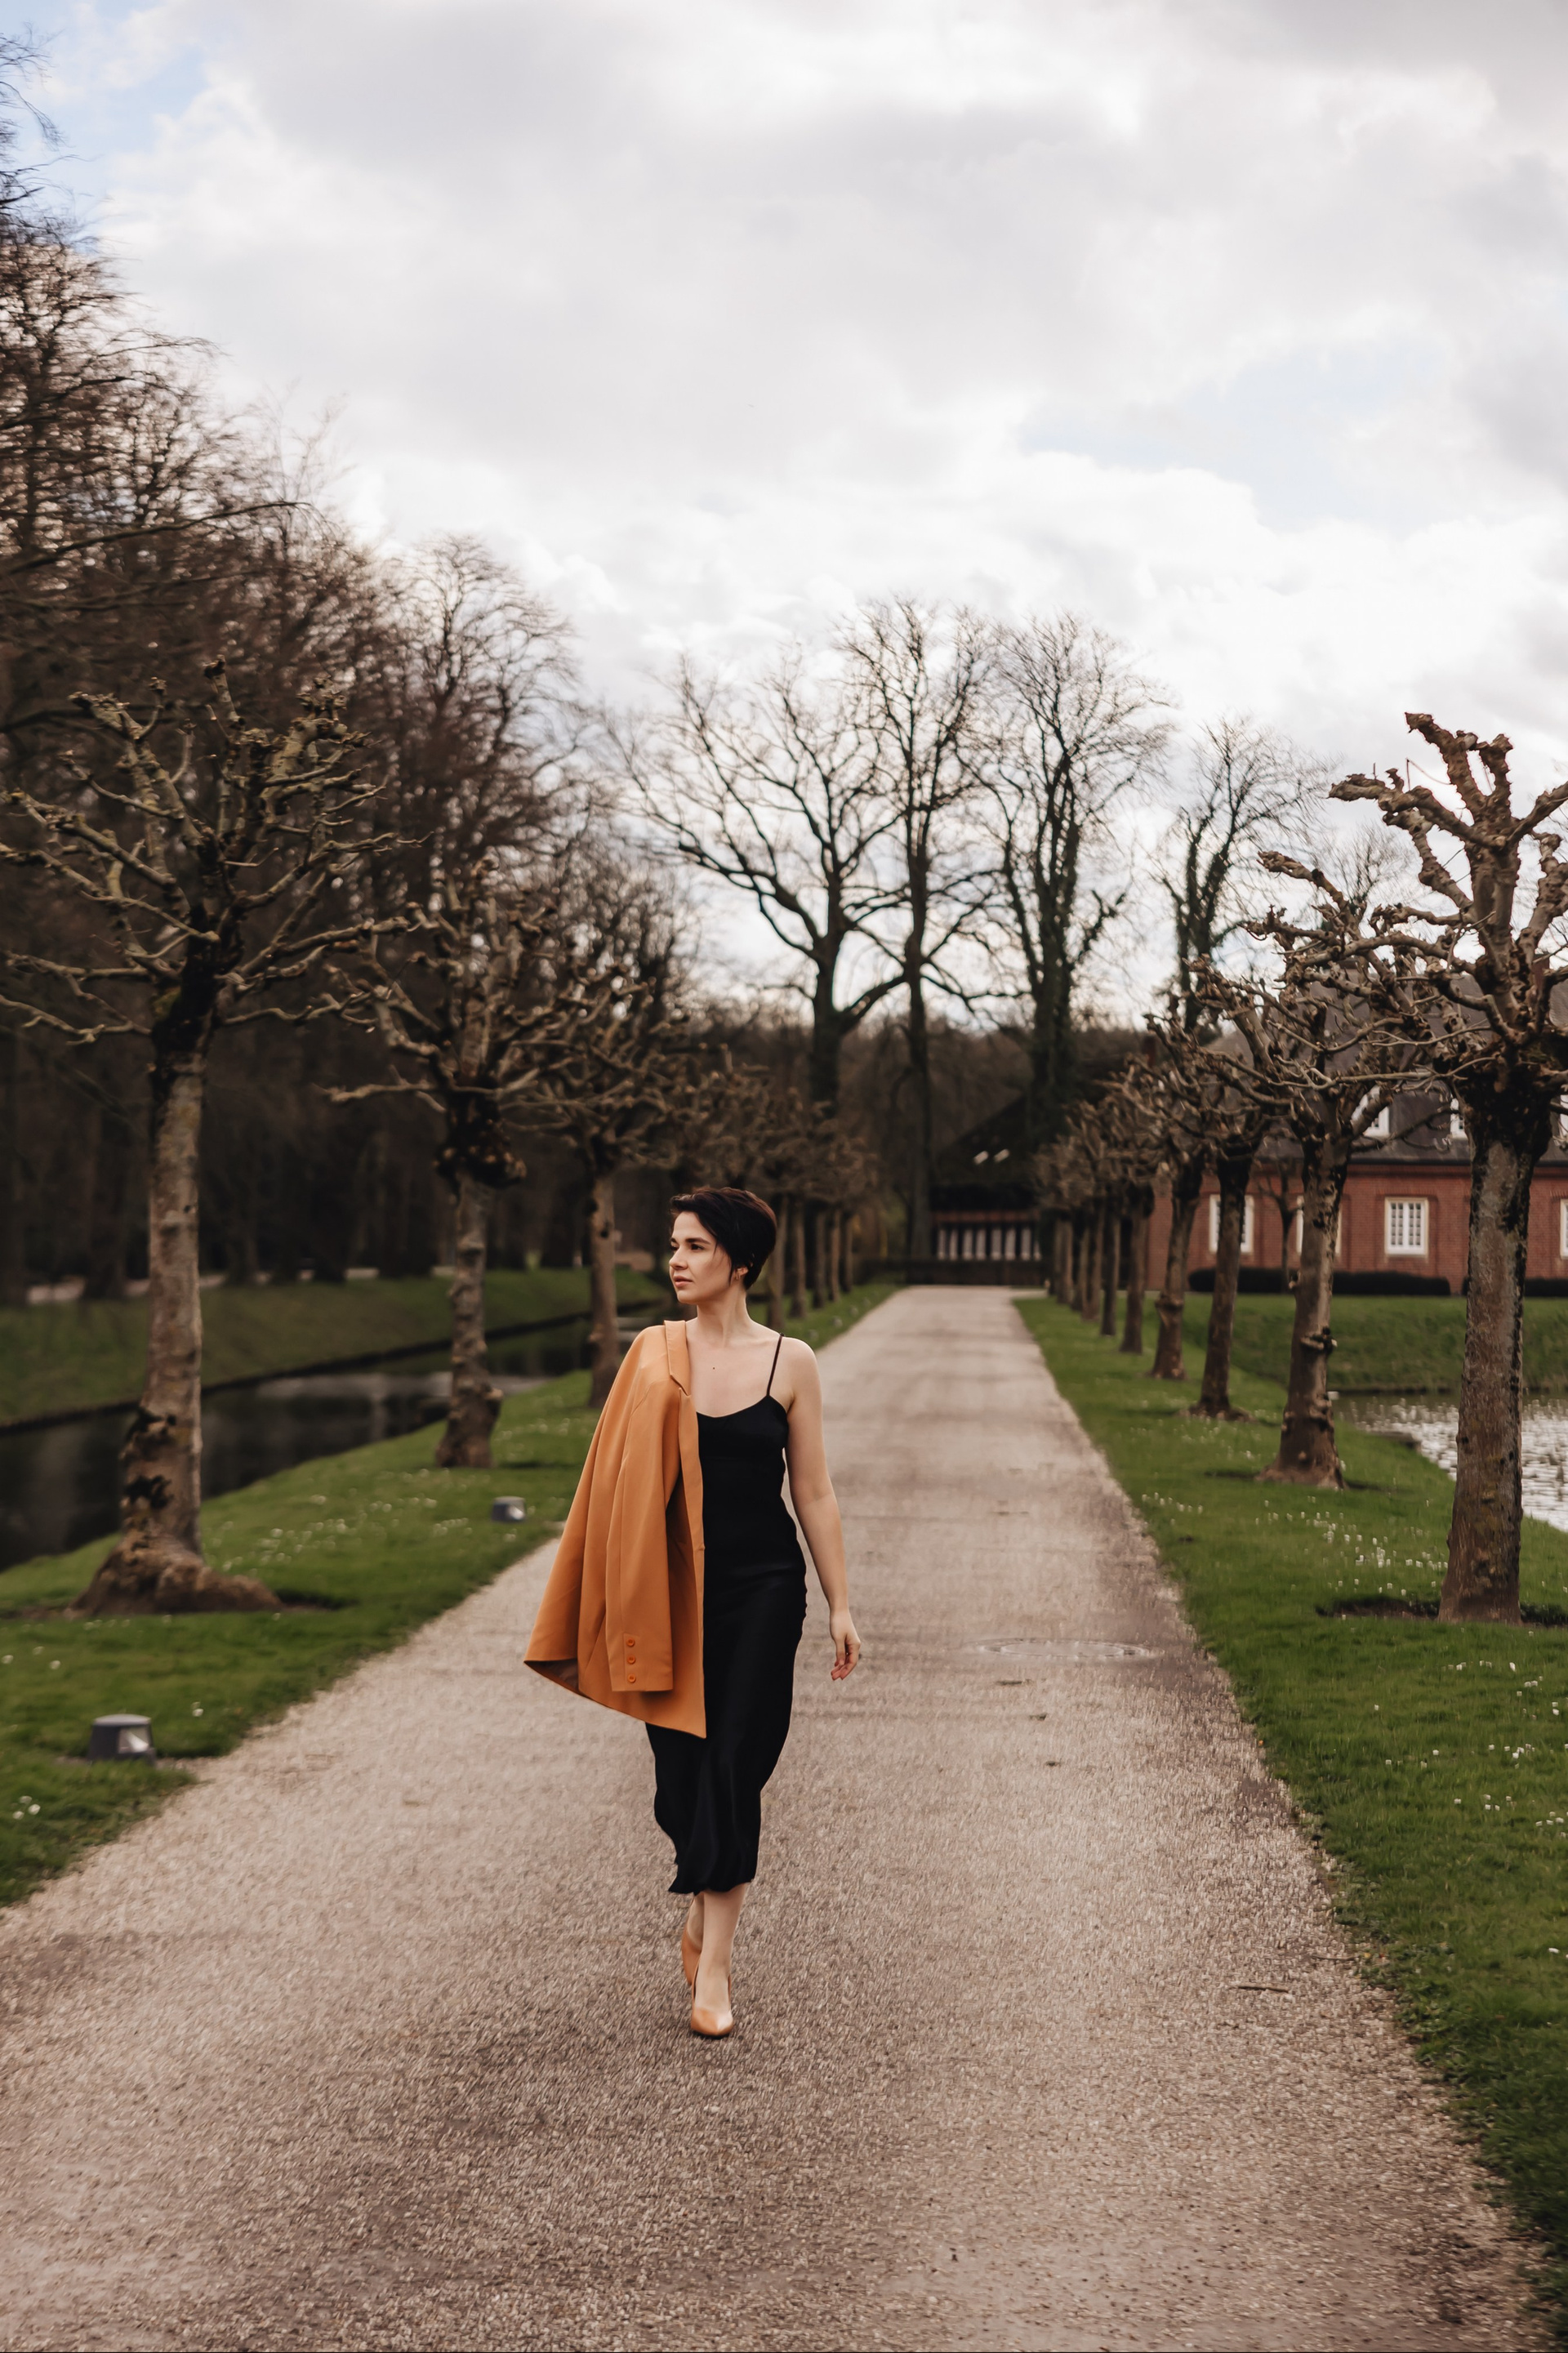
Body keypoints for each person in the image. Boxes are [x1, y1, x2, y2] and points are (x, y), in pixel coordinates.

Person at [524, 1185, 859, 2039]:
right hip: (667, 1592)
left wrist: (840, 1604)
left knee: (736, 1761)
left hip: (764, 1589)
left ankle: (715, 1968)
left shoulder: (791, 1362)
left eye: (695, 1246)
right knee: (681, 1778)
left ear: (739, 1262)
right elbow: (605, 1483)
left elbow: (814, 1491)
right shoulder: (650, 1354)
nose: (676, 1260)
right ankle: (703, 1900)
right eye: (674, 1244)